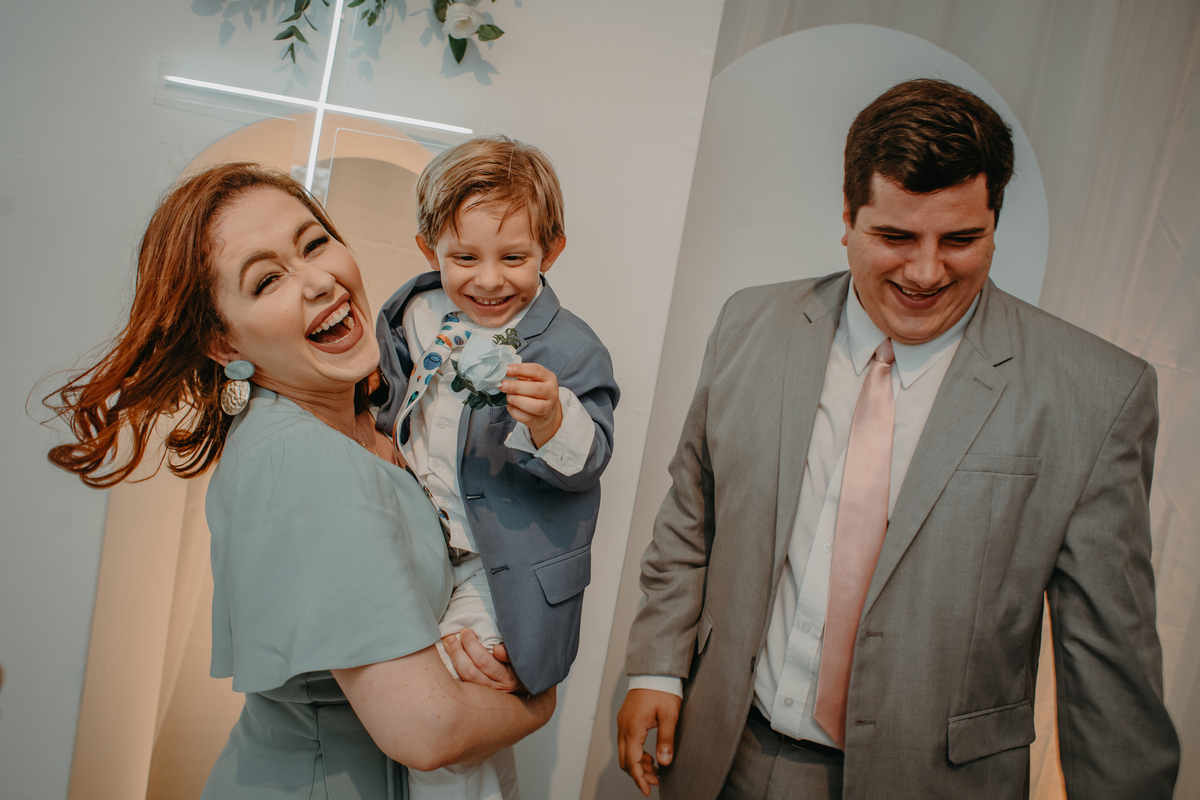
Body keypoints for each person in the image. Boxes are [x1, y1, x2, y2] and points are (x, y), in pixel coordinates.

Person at [617, 79, 1180, 799]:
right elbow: (692, 511)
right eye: (896, 237)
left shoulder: (1096, 395)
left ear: (995, 225)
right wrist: (658, 666)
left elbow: (1109, 666)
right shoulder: (749, 323)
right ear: (847, 217)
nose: (925, 271)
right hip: (721, 751)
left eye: (961, 240)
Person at [45, 162, 555, 799]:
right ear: (223, 344)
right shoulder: (298, 458)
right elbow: (426, 731)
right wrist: (540, 698)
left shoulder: (378, 418)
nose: (318, 281)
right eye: (266, 281)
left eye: (314, 244)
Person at [373, 135, 619, 800]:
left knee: (451, 702)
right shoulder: (413, 311)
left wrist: (552, 419)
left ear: (550, 251)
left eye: (513, 258)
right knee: (455, 722)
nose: (488, 280)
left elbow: (591, 458)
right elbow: (388, 391)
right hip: (421, 546)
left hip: (501, 566)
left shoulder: (571, 347)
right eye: (464, 257)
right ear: (429, 249)